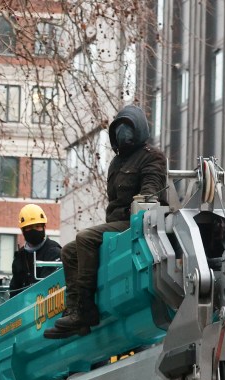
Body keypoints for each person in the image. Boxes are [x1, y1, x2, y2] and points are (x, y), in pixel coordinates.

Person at [44, 105, 167, 339]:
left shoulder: (152, 157)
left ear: (139, 128)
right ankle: (74, 313)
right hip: (116, 225)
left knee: (85, 238)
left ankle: (85, 311)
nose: (123, 133)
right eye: (119, 128)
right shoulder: (117, 163)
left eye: (128, 127)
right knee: (70, 251)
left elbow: (152, 191)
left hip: (136, 223)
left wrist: (143, 202)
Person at [9, 204, 62, 295]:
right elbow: (14, 290)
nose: (34, 231)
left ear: (44, 227)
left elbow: (50, 286)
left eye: (37, 227)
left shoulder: (54, 252)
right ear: (23, 231)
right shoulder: (20, 256)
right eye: (29, 228)